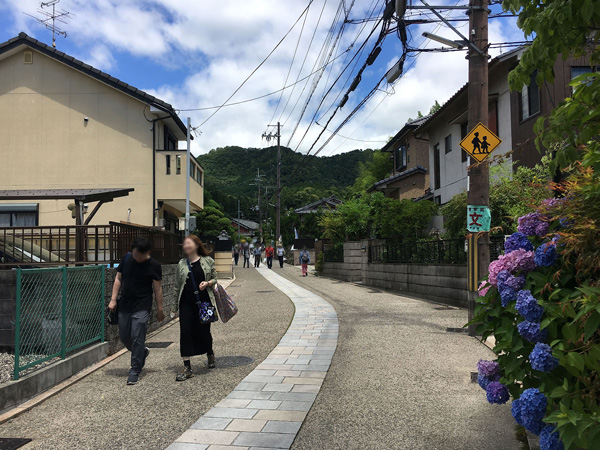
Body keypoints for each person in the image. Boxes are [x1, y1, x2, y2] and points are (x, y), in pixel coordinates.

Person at [109, 237, 164, 386]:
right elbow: (118, 278)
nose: (136, 257)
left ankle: (135, 369)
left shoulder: (154, 265)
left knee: (137, 335)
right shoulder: (127, 258)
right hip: (125, 304)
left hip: (142, 305)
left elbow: (157, 289)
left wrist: (160, 309)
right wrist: (113, 299)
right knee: (124, 336)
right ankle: (141, 353)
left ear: (147, 253)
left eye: (139, 255)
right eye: (134, 254)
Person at [174, 235, 218, 381]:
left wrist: (208, 283)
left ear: (196, 245)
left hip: (203, 301)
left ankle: (209, 353)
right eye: (184, 244)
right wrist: (174, 307)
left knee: (204, 331)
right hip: (186, 302)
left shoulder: (208, 261)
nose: (186, 246)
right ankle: (187, 367)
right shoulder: (181, 264)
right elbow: (176, 286)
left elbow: (215, 278)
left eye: (189, 243)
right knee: (185, 332)